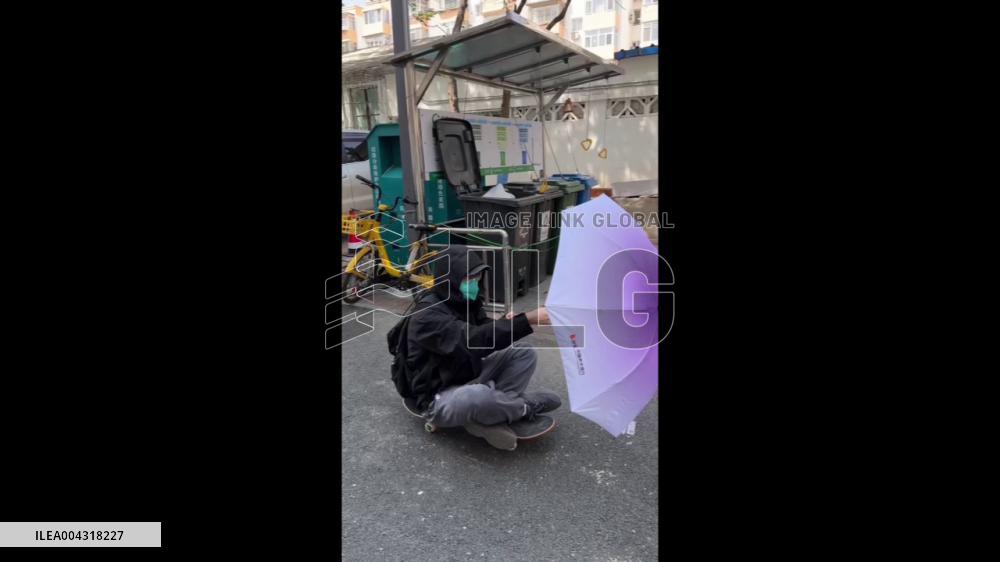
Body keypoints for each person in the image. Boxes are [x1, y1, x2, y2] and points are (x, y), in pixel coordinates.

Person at [392, 246, 561, 450]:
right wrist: (529, 319)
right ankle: (523, 407)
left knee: (523, 353)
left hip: (466, 373)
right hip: (437, 397)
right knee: (475, 396)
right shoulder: (428, 316)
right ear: (451, 278)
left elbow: (483, 330)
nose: (474, 284)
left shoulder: (462, 300)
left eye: (476, 278)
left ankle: (489, 414)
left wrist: (510, 321)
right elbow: (473, 341)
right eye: (468, 279)